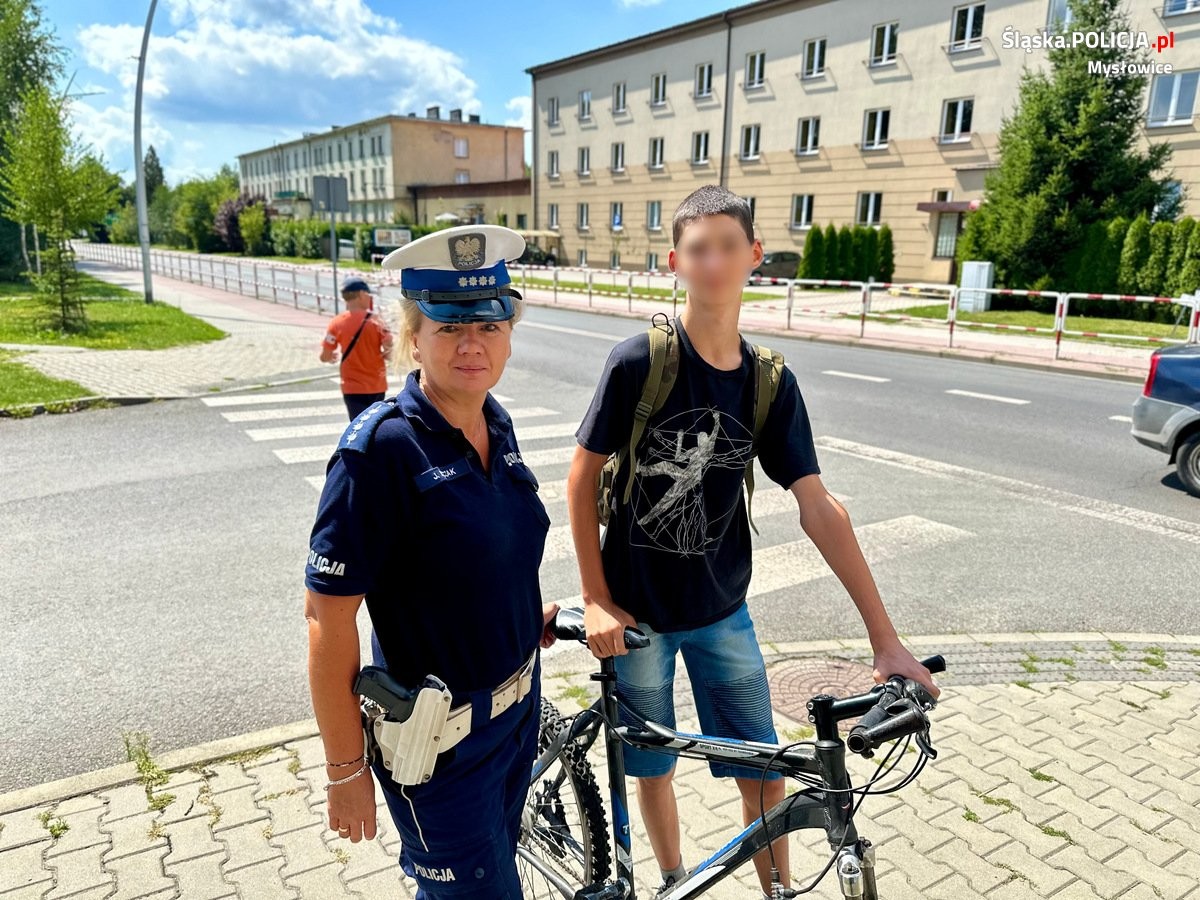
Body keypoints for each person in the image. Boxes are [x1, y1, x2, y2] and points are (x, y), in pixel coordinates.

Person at [565, 185, 941, 899]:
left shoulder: (769, 382)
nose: (713, 263)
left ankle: (776, 894)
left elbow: (819, 506)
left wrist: (886, 642)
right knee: (653, 768)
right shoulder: (636, 362)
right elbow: (579, 479)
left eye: (727, 247)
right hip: (637, 618)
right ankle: (673, 882)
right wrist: (596, 597)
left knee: (762, 774)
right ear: (675, 261)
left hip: (722, 613)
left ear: (754, 257)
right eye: (698, 249)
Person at [304, 225, 558, 899]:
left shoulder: (493, 421)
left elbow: (486, 552)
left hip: (516, 718)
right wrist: (343, 769)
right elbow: (326, 618)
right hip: (441, 750)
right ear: (413, 335)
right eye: (448, 327)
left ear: (510, 329)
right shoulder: (380, 452)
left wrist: (518, 613)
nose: (472, 343)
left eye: (489, 322)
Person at [320, 276, 394, 420]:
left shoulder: (336, 323)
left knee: (357, 427)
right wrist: (387, 352)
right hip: (376, 385)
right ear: (361, 294)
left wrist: (331, 357)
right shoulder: (377, 321)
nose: (369, 297)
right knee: (376, 425)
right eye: (368, 294)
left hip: (351, 387)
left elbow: (325, 356)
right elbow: (390, 351)